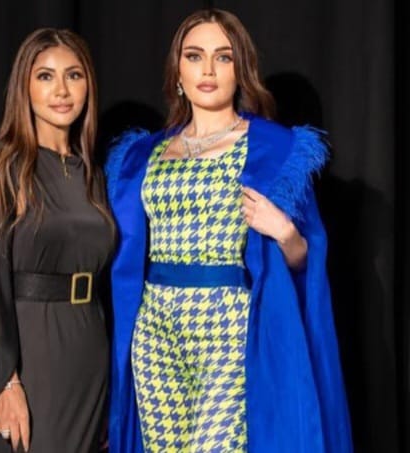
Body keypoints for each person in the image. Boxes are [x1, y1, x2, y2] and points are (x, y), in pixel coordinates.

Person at [105, 9, 352, 453]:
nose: (208, 69)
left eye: (223, 57)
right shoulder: (144, 155)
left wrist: (283, 231)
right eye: (195, 56)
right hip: (156, 328)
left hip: (228, 326)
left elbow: (305, 258)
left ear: (240, 70)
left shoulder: (273, 148)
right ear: (178, 71)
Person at [0, 28, 113, 453]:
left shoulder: (94, 174)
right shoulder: (3, 164)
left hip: (89, 349)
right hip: (33, 355)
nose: (62, 90)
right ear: (24, 88)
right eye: (45, 76)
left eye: (74, 75)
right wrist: (6, 379)